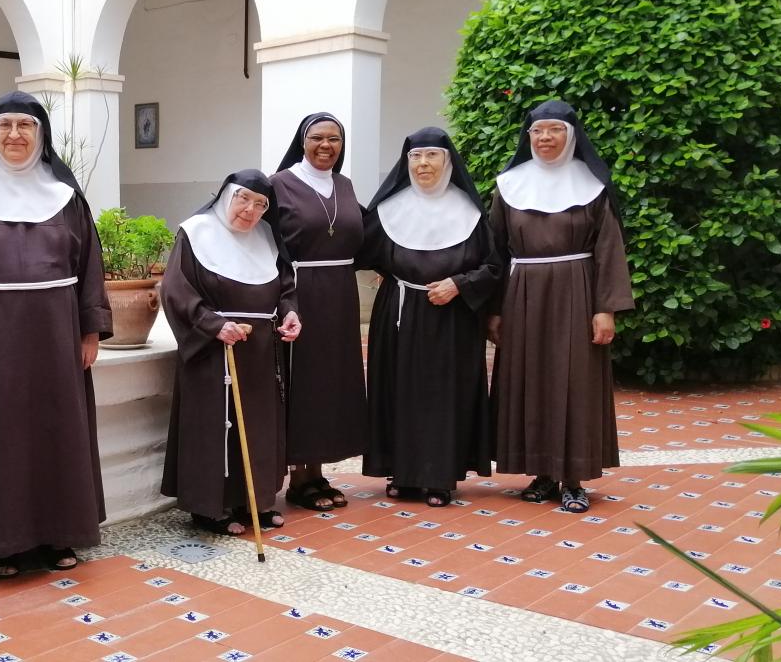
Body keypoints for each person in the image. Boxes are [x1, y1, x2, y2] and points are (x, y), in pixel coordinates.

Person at [0, 91, 112, 577]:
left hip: (56, 331)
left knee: (56, 429)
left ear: (41, 134)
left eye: (25, 125)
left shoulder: (67, 196)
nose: (15, 135)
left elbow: (89, 265)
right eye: (5, 125)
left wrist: (90, 329)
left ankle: (58, 535)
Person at [487, 100, 634, 513]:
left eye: (554, 130)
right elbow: (495, 250)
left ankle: (573, 479)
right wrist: (494, 308)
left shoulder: (591, 184)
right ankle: (541, 472)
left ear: (571, 136)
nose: (545, 138)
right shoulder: (509, 185)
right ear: (527, 137)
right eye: (537, 131)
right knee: (530, 380)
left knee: (574, 381)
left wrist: (606, 308)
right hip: (523, 294)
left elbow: (609, 248)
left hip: (577, 290)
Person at [359, 127, 500, 507]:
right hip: (400, 312)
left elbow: (493, 265)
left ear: (447, 161)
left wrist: (458, 283)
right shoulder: (390, 208)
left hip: (451, 316)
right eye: (416, 157)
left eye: (431, 156)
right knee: (398, 390)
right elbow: (361, 249)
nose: (423, 164)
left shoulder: (469, 210)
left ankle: (440, 476)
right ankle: (402, 473)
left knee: (444, 394)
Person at [161, 170, 303, 535]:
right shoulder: (195, 232)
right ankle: (212, 508)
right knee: (216, 426)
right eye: (243, 199)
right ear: (225, 195)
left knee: (258, 427)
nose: (250, 211)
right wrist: (212, 326)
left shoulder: (268, 237)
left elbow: (285, 286)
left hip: (260, 350)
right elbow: (176, 291)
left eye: (260, 205)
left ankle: (254, 502)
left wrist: (290, 313)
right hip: (213, 350)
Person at [270, 112, 366, 512]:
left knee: (331, 383)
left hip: (341, 295)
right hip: (300, 292)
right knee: (303, 382)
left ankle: (319, 470)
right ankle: (299, 477)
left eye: (334, 139)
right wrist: (281, 298)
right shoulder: (281, 184)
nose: (326, 146)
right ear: (302, 141)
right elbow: (270, 245)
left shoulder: (344, 185)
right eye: (317, 138)